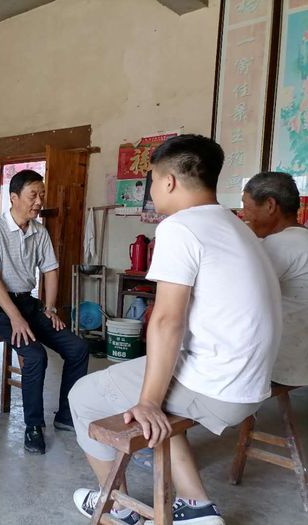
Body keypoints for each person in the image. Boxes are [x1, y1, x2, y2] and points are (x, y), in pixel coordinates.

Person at [69, 135, 281, 525]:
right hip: (251, 383)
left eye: (151, 180)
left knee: (84, 395)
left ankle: (118, 508)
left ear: (168, 182)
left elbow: (167, 321)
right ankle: (198, 508)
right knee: (155, 391)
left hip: (217, 385)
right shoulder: (237, 227)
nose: (151, 190)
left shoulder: (180, 227)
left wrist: (148, 400)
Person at [0, 169, 89, 454]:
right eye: (32, 195)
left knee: (78, 348)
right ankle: (33, 426)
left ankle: (66, 416)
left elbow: (50, 270)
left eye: (42, 195)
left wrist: (49, 308)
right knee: (35, 355)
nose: (39, 201)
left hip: (29, 304)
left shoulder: (39, 231)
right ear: (14, 198)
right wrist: (15, 318)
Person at [242, 171, 308, 387]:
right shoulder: (302, 237)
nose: (243, 214)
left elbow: (240, 296)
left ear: (270, 205)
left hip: (283, 365)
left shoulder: (278, 244)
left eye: (246, 206)